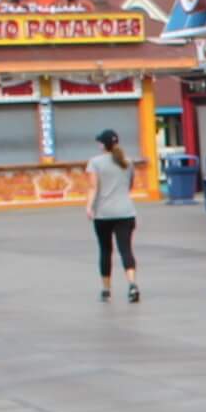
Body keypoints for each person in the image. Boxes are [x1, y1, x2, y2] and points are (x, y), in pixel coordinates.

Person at [86, 128, 141, 302]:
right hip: (126, 212)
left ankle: (106, 289)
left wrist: (89, 207)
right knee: (126, 249)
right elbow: (129, 186)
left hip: (103, 214)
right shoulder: (127, 162)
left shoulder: (95, 162)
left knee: (105, 250)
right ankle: (132, 284)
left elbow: (93, 187)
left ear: (102, 144)